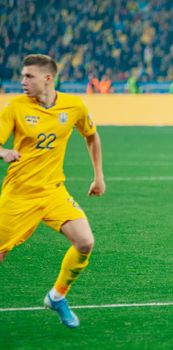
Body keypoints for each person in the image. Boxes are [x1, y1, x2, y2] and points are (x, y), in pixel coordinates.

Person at [0, 54, 105, 328]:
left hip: (53, 191)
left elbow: (91, 136)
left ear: (48, 78)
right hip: (19, 194)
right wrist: (4, 151)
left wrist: (98, 177)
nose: (22, 81)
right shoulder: (15, 107)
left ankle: (57, 296)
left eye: (29, 76)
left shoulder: (73, 106)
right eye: (22, 76)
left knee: (85, 242)